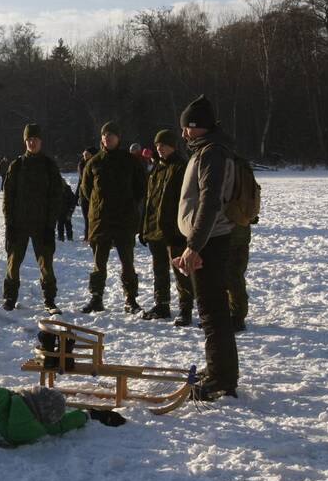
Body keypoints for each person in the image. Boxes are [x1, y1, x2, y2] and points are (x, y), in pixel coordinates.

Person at [172, 95, 239, 402]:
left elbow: (210, 203)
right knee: (211, 310)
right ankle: (218, 370)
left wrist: (193, 247)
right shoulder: (207, 150)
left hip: (210, 241)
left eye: (187, 127)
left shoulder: (212, 153)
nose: (184, 133)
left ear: (198, 128)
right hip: (206, 240)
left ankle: (221, 379)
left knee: (212, 312)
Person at [79, 122, 146, 314]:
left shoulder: (130, 161)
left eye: (111, 135)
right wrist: (99, 206)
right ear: (101, 139)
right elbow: (86, 190)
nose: (108, 138)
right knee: (99, 264)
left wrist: (128, 205)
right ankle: (96, 298)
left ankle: (131, 299)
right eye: (105, 135)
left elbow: (141, 188)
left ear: (118, 138)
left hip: (124, 221)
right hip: (101, 222)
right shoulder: (94, 162)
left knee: (128, 263)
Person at [2, 123, 65, 314]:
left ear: (41, 141)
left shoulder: (49, 165)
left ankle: (49, 300)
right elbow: (8, 196)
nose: (32, 143)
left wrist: (50, 224)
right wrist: (9, 224)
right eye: (29, 140)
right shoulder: (17, 165)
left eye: (35, 140)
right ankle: (10, 298)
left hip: (42, 224)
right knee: (13, 263)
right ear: (25, 142)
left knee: (46, 264)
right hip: (19, 224)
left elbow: (56, 196)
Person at [140, 129, 193, 325]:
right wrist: (144, 227)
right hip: (155, 229)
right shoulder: (156, 168)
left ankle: (185, 309)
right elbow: (149, 201)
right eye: (157, 146)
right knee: (159, 270)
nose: (159, 149)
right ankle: (161, 304)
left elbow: (187, 200)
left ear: (172, 145)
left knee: (181, 271)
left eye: (163, 145)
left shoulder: (181, 167)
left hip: (175, 230)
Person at [227, 220, 252, 333]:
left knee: (234, 277)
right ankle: (232, 315)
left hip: (235, 237)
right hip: (230, 234)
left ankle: (237, 317)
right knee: (230, 277)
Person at [77, 147, 97, 242]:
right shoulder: (81, 165)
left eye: (87, 155)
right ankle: (87, 235)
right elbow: (80, 181)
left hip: (94, 194)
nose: (85, 157)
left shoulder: (95, 164)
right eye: (84, 155)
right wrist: (76, 195)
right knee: (86, 217)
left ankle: (93, 234)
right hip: (83, 194)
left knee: (94, 216)